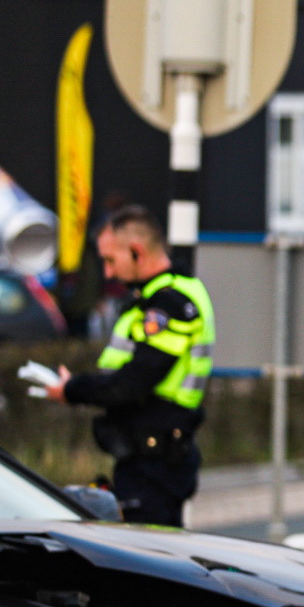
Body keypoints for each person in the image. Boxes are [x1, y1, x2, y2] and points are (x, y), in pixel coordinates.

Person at [47, 206, 214, 526]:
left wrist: (73, 389)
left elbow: (134, 382)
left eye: (110, 260)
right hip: (147, 458)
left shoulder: (170, 304)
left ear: (137, 251)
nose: (107, 273)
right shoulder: (159, 296)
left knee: (149, 561)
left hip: (155, 464)